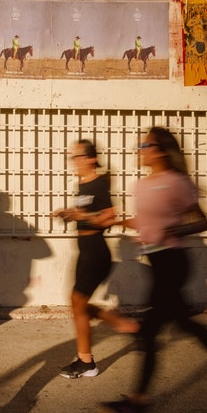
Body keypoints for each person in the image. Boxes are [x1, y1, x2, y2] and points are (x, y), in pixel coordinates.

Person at [99, 127, 207, 413]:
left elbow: (202, 222)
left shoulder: (178, 183)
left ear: (160, 150)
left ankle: (138, 403)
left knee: (150, 330)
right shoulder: (141, 185)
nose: (140, 149)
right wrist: (118, 219)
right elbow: (144, 222)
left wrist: (175, 230)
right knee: (185, 323)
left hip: (173, 262)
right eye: (139, 144)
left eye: (145, 144)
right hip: (157, 261)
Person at [52, 139, 138, 379]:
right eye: (72, 157)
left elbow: (109, 218)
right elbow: (87, 215)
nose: (74, 162)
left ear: (91, 158)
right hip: (85, 251)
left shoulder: (99, 184)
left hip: (96, 253)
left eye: (78, 157)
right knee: (77, 304)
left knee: (77, 302)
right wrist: (69, 214)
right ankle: (111, 331)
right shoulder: (82, 183)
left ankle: (89, 358)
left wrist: (80, 213)